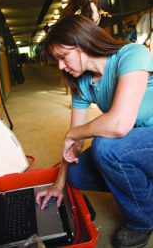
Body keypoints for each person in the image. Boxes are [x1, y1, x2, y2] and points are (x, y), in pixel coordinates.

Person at [35, 14, 153, 248]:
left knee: (106, 148)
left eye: (62, 57)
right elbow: (73, 140)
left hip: (142, 140)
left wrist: (76, 134)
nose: (61, 66)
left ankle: (141, 222)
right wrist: (59, 183)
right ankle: (143, 186)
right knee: (76, 174)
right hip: (137, 146)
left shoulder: (131, 54)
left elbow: (119, 125)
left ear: (82, 42)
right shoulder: (82, 84)